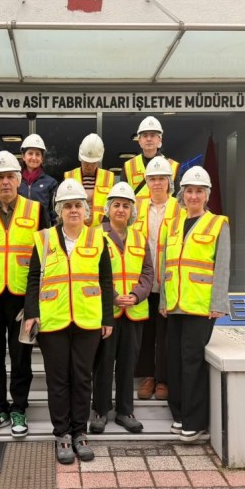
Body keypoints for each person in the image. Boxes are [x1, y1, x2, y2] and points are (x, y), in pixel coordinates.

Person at [24, 179, 114, 464]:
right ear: (59, 210)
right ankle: (62, 434)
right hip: (53, 320)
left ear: (86, 210)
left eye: (77, 205)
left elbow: (106, 280)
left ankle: (79, 432)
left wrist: (107, 317)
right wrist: (31, 313)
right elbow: (33, 278)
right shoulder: (43, 238)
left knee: (83, 379)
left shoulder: (98, 238)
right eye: (67, 206)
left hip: (88, 320)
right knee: (58, 380)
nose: (73, 210)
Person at [0, 151, 49, 438]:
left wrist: (38, 299)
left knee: (21, 357)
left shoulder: (36, 210)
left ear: (18, 179)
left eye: (9, 177)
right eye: (0, 177)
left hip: (21, 296)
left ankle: (18, 408)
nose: (5, 182)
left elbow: (46, 256)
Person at [159, 166, 230, 443]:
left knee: (192, 362)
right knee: (175, 361)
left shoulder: (218, 224)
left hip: (200, 306)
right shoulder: (173, 225)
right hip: (175, 304)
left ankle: (195, 421)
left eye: (199, 191)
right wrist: (164, 300)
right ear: (182, 194)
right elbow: (166, 265)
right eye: (189, 191)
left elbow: (222, 267)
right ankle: (178, 415)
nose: (193, 196)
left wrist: (218, 302)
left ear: (207, 195)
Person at [90, 182, 154, 435]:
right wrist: (114, 297)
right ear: (108, 209)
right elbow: (91, 272)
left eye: (126, 206)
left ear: (131, 211)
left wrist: (136, 295)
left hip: (134, 310)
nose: (121, 209)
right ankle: (100, 410)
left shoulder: (139, 237)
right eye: (116, 205)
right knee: (103, 363)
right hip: (107, 311)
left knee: (129, 364)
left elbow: (148, 272)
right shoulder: (95, 235)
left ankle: (125, 411)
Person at [132, 156, 181, 401]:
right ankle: (147, 376)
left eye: (162, 178)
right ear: (147, 181)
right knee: (145, 331)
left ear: (169, 182)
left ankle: (163, 379)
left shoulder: (180, 208)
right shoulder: (137, 207)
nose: (157, 183)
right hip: (143, 281)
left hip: (169, 282)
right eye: (153, 179)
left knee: (166, 334)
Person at [123, 116, 179, 203]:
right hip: (138, 212)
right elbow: (124, 197)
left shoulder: (173, 166)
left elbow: (177, 200)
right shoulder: (128, 166)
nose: (149, 139)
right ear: (139, 141)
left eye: (152, 135)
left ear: (160, 140)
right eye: (145, 135)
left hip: (164, 211)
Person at [64, 133, 114, 228]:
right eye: (86, 162)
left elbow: (112, 206)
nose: (89, 166)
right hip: (75, 228)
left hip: (100, 229)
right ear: (80, 158)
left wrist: (107, 229)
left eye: (93, 163)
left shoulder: (108, 177)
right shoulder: (69, 177)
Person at [18, 134, 58, 224]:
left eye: (37, 154)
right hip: (19, 229)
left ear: (42, 158)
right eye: (30, 153)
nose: (34, 158)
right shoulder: (15, 181)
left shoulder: (51, 183)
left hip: (42, 230)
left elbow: (54, 214)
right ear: (23, 156)